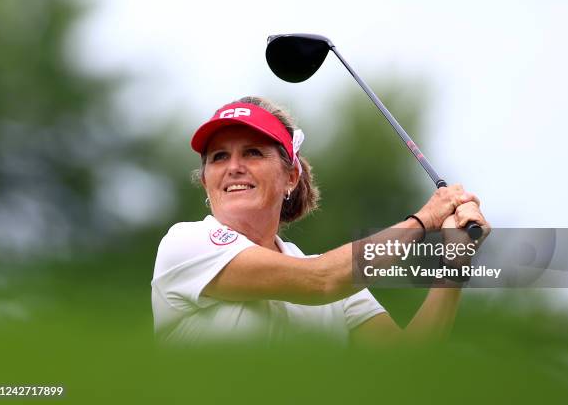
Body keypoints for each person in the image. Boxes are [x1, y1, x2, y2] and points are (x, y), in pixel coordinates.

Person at [151, 96, 490, 346]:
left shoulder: (340, 286)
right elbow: (320, 281)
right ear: (207, 180)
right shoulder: (186, 244)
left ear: (291, 176)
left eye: (253, 152)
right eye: (219, 157)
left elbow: (407, 369)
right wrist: (424, 220)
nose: (233, 167)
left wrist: (454, 262)